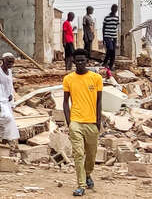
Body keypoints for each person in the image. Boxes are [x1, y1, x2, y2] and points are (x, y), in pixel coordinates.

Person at [63, 50, 103, 197]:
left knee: (91, 155)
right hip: (76, 122)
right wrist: (69, 122)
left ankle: (88, 174)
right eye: (77, 61)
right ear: (73, 61)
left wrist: (98, 121)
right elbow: (65, 103)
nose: (80, 63)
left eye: (82, 61)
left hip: (92, 122)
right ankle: (81, 185)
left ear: (87, 61)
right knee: (78, 154)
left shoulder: (96, 78)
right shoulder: (68, 79)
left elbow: (99, 101)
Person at [0, 53, 19, 145]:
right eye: (8, 61)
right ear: (3, 60)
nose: (10, 64)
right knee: (6, 117)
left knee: (8, 124)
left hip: (7, 99)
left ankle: (3, 143)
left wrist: (10, 94)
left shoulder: (9, 72)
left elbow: (10, 84)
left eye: (12, 62)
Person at [126, 11, 152, 81]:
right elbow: (141, 26)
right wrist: (131, 30)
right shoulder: (151, 21)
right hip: (149, 43)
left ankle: (150, 73)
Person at [102, 4, 119, 70]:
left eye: (116, 9)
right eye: (113, 8)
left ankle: (110, 65)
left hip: (114, 36)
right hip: (107, 35)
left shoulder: (117, 18)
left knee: (113, 51)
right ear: (111, 9)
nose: (115, 10)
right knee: (110, 49)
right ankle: (105, 62)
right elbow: (104, 28)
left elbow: (116, 27)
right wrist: (103, 38)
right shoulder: (107, 17)